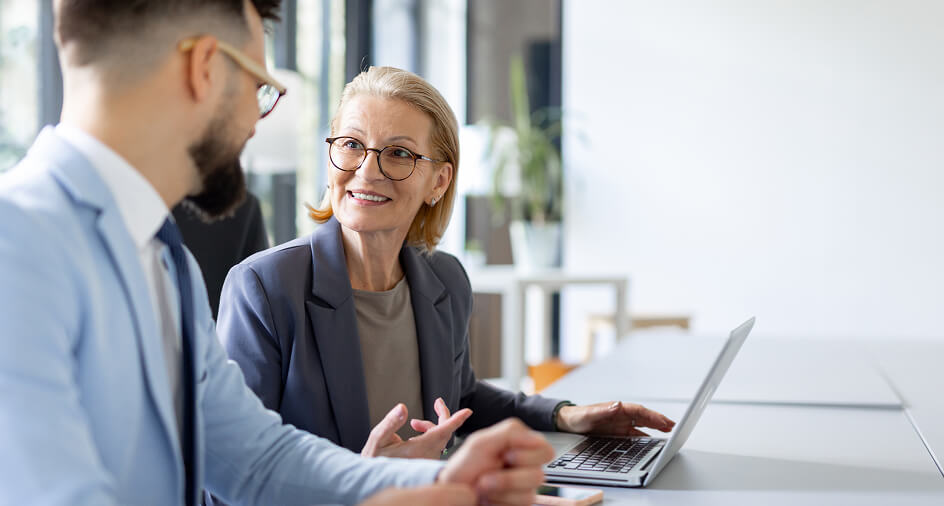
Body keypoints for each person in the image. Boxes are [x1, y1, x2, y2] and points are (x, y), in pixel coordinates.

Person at [0, 1, 553, 505]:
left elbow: (257, 460)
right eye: (259, 87)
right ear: (205, 68)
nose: (255, 121)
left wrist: (441, 481)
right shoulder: (17, 242)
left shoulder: (164, 260)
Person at [217, 66, 677, 462]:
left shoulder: (445, 279)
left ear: (438, 181)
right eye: (352, 144)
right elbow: (232, 473)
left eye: (398, 153)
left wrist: (565, 415)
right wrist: (363, 480)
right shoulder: (264, 287)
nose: (367, 170)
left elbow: (463, 396)